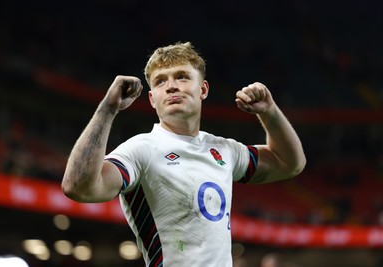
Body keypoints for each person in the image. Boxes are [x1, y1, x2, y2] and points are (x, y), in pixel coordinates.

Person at [62, 42, 306, 267]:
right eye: (159, 81)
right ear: (152, 99)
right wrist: (108, 108)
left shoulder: (224, 149)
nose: (171, 86)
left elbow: (289, 163)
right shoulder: (141, 150)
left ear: (203, 89)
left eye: (182, 77)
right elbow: (78, 187)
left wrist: (270, 112)